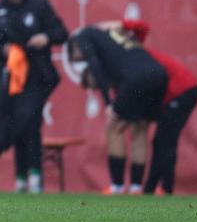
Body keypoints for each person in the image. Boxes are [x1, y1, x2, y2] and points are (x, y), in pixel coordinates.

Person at [0, 0, 68, 193]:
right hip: (9, 76)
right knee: (7, 116)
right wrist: (3, 50)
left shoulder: (39, 5)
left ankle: (35, 177)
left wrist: (45, 37)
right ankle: (20, 177)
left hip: (37, 75)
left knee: (30, 121)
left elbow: (61, 32)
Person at [97, 20, 197, 195]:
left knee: (166, 140)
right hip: (171, 95)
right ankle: (150, 189)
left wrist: (118, 24)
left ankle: (166, 188)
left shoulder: (135, 54)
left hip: (182, 90)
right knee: (159, 140)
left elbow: (142, 27)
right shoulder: (123, 62)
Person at [68, 25, 168, 193]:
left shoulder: (84, 36)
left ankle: (117, 186)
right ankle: (136, 187)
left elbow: (95, 67)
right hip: (158, 74)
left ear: (75, 47)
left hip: (136, 77)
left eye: (75, 57)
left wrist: (108, 103)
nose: (78, 61)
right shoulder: (110, 38)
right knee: (140, 130)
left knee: (114, 128)